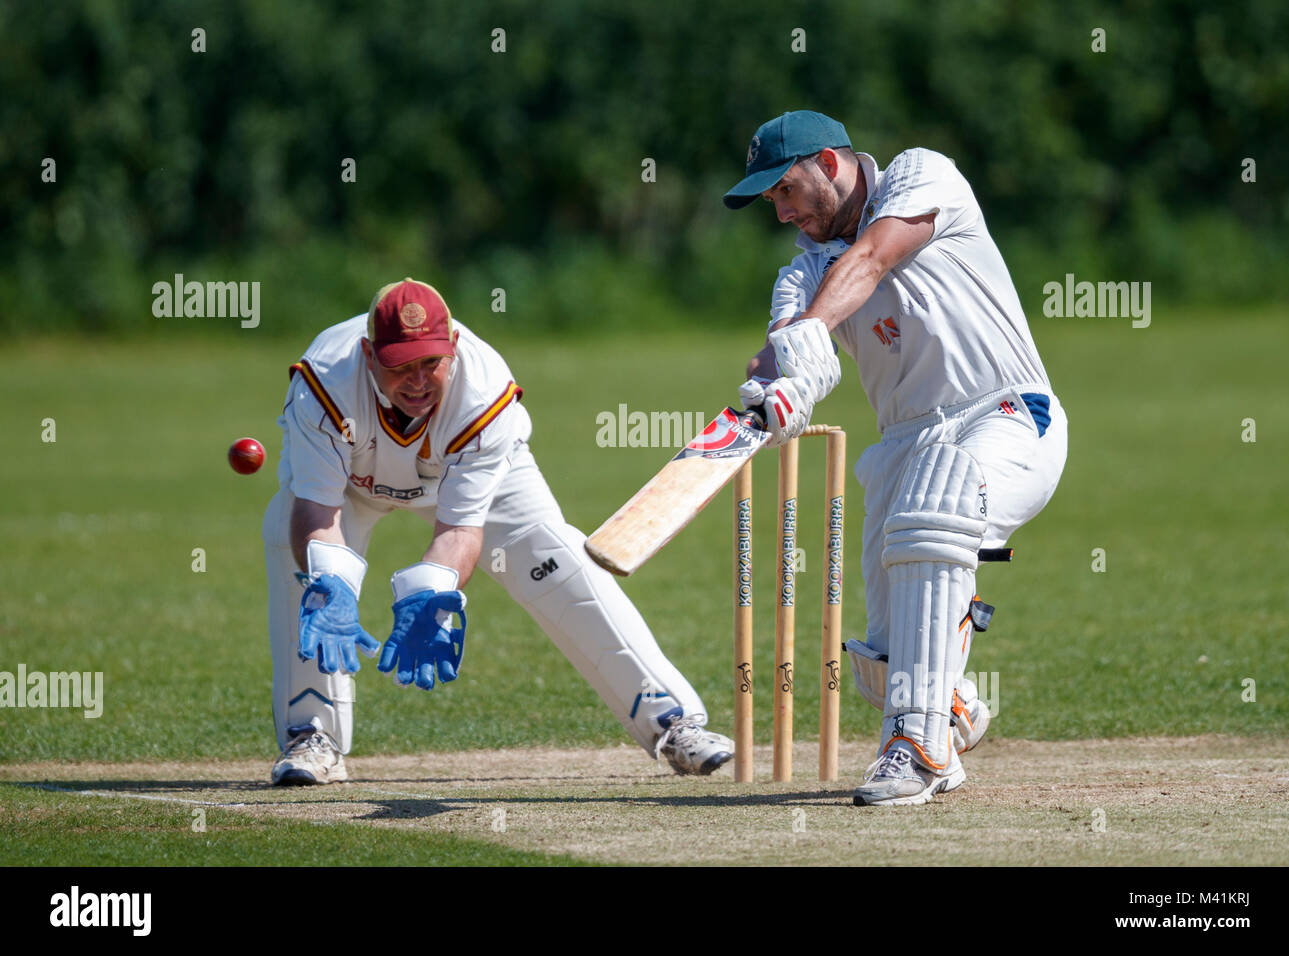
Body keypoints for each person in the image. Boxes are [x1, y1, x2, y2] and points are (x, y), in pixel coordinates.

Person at [723, 111, 1067, 806]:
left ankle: (918, 746)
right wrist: (777, 391)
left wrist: (805, 342)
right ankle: (951, 706)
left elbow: (872, 260)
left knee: (934, 509)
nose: (782, 210)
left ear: (828, 161)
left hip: (1003, 411)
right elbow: (786, 350)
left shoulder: (920, 174)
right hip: (904, 444)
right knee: (882, 661)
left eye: (786, 189)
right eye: (770, 201)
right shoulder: (802, 272)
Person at [262, 278, 733, 784]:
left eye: (431, 363)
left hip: (465, 470)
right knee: (308, 573)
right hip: (349, 481)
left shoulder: (483, 393)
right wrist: (329, 584)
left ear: (455, 349)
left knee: (554, 557)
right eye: (401, 365)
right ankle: (311, 738)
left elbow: (461, 530)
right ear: (368, 354)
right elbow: (316, 510)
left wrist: (434, 593)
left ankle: (672, 721)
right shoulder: (324, 382)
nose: (418, 381)